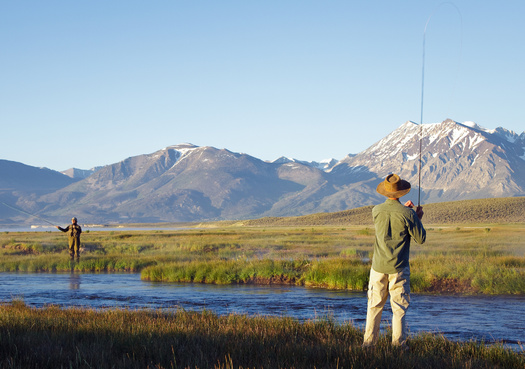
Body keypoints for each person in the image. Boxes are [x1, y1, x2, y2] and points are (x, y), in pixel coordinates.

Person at [363, 174, 426, 349]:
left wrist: (407, 214)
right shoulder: (408, 214)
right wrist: (417, 218)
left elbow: (391, 217)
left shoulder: (376, 211)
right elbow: (420, 238)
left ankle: (368, 345)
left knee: (374, 306)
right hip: (399, 268)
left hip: (377, 268)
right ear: (401, 192)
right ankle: (398, 347)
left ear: (385, 191)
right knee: (398, 308)